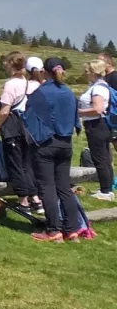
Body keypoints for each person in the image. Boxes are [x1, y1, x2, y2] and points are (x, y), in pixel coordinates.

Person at [23, 57, 83, 242]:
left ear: (44, 72)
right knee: (64, 187)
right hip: (66, 143)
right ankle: (72, 230)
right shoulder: (69, 92)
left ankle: (53, 230)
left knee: (47, 187)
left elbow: (28, 117)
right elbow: (75, 118)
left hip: (46, 143)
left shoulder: (41, 93)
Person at [0, 51, 42, 215]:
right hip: (27, 127)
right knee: (27, 164)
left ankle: (23, 201)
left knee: (15, 164)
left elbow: (5, 110)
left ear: (10, 64)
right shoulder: (28, 83)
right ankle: (35, 198)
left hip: (13, 127)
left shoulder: (11, 84)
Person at [79, 59, 114, 201]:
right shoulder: (100, 86)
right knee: (105, 158)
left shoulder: (98, 88)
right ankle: (107, 188)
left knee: (100, 158)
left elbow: (98, 109)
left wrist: (79, 112)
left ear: (93, 72)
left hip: (96, 125)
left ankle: (105, 191)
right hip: (101, 124)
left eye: (87, 71)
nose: (85, 73)